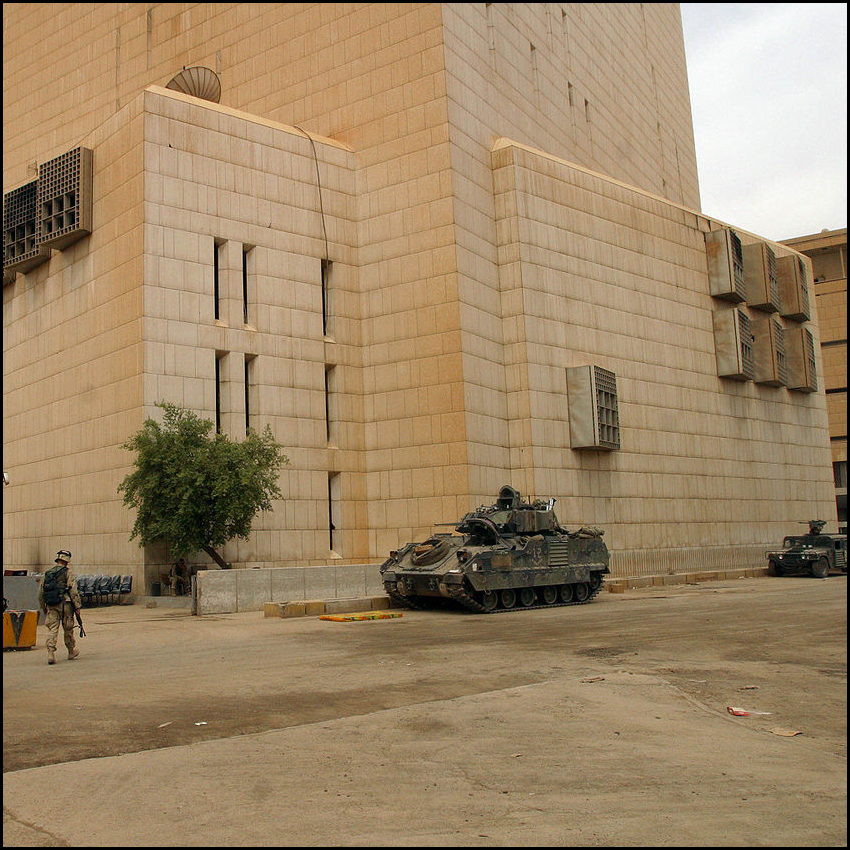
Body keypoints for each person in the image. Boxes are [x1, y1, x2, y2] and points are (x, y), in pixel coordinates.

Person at [39, 549, 82, 665]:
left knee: (52, 629)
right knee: (68, 628)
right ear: (66, 561)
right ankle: (71, 651)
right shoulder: (68, 573)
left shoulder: (48, 573)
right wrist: (77, 606)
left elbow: (40, 592)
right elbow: (73, 590)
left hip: (52, 604)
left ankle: (50, 653)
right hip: (65, 604)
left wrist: (43, 607)